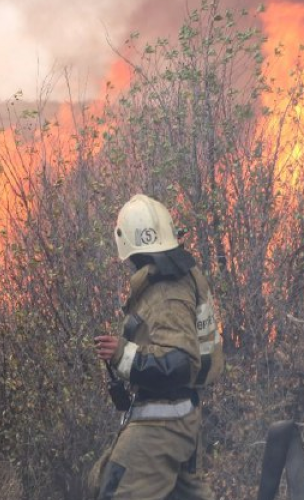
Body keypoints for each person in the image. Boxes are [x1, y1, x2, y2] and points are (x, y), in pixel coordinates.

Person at [90, 194, 224, 500]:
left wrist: (122, 355)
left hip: (162, 424)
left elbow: (178, 363)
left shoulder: (166, 290)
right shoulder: (181, 277)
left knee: (114, 488)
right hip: (180, 418)